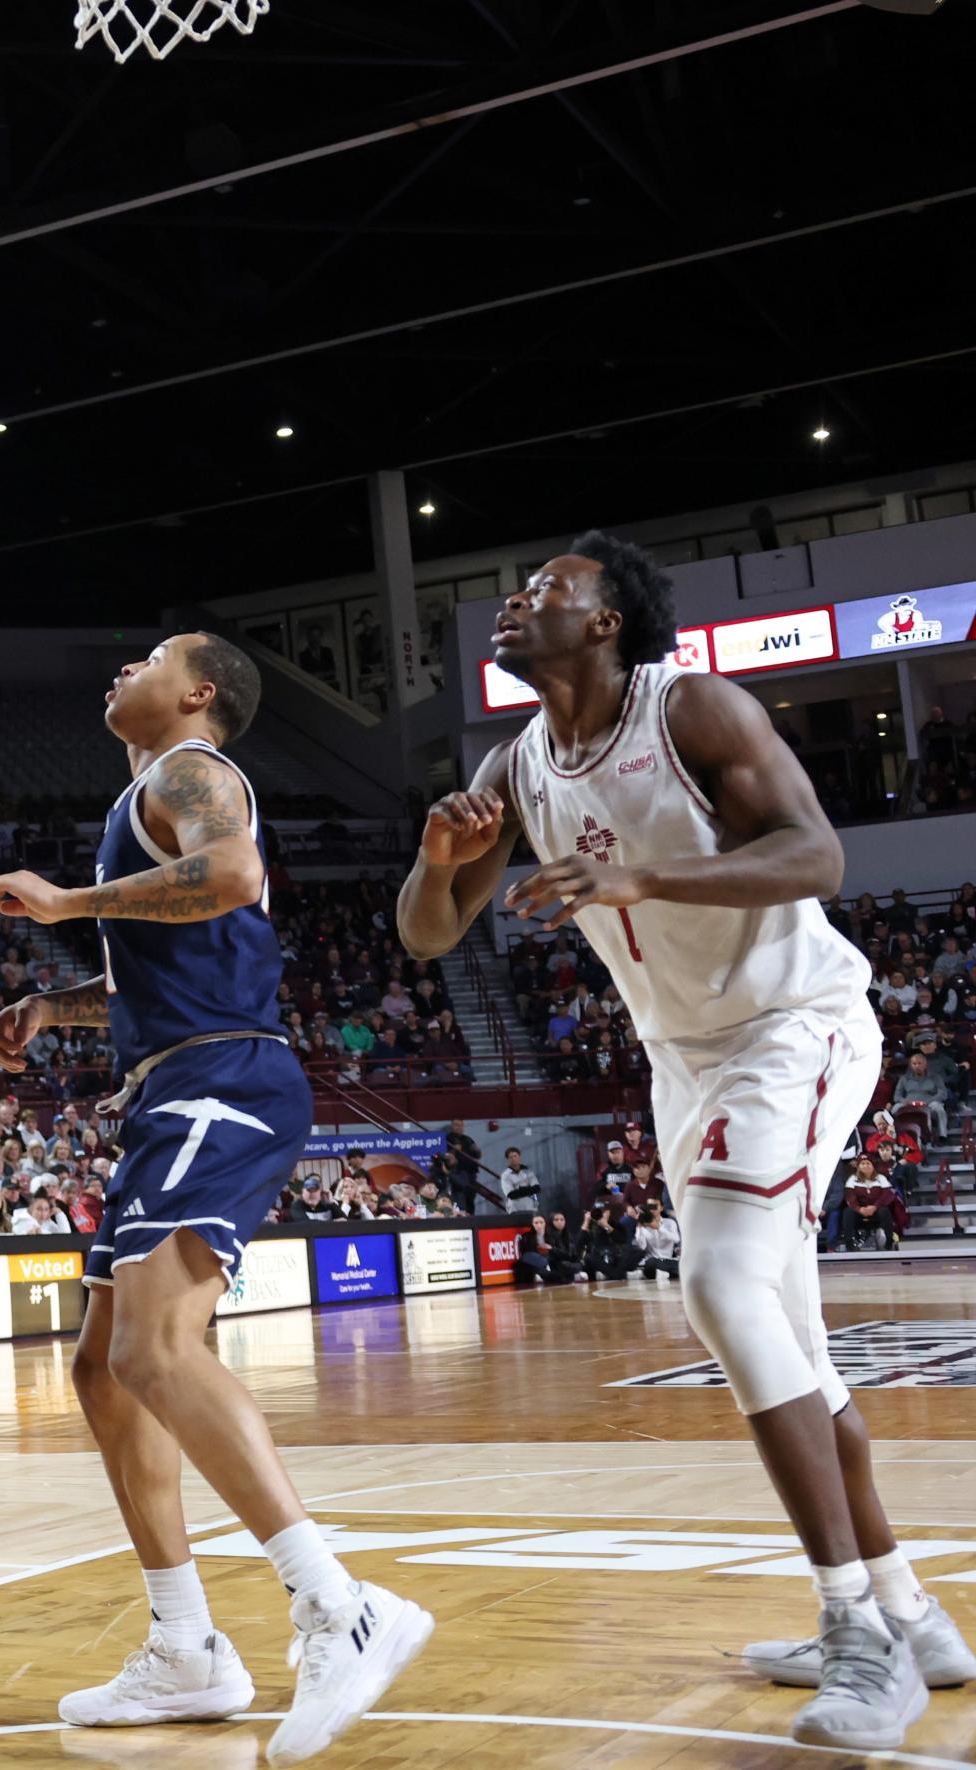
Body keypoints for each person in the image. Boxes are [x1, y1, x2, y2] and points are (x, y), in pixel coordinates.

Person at [395, 530, 973, 1747]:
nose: (516, 597)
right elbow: (430, 939)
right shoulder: (519, 763)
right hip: (684, 1059)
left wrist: (644, 883)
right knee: (794, 1353)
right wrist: (436, 860)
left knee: (714, 1286)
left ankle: (859, 1640)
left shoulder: (693, 706)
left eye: (548, 587)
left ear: (605, 623)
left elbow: (817, 853)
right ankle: (911, 1614)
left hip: (795, 1028)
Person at [0, 632, 431, 1764]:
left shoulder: (189, 771)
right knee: (101, 1368)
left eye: (145, 657)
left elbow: (228, 878)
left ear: (194, 693)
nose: (117, 669)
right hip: (175, 1082)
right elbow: (182, 945)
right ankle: (185, 1646)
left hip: (221, 1080)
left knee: (155, 1352)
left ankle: (340, 1606)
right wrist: (62, 1007)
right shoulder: (152, 791)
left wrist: (65, 899)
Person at [636, 1199, 682, 1280]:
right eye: (649, 1207)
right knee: (651, 1263)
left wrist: (658, 1228)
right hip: (652, 1261)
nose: (652, 1209)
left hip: (667, 1260)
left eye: (654, 1206)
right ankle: (666, 1273)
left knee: (680, 1265)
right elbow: (642, 1247)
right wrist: (640, 1228)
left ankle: (663, 1273)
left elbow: (676, 1239)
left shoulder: (670, 1223)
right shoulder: (643, 1226)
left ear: (661, 1208)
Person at [499, 1146, 542, 1214]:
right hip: (515, 1209)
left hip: (531, 1207)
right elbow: (512, 1194)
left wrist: (520, 1189)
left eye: (515, 1156)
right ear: (508, 1160)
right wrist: (528, 1189)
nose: (513, 1159)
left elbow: (537, 1188)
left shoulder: (528, 1172)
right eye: (511, 1157)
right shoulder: (505, 1175)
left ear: (519, 1157)